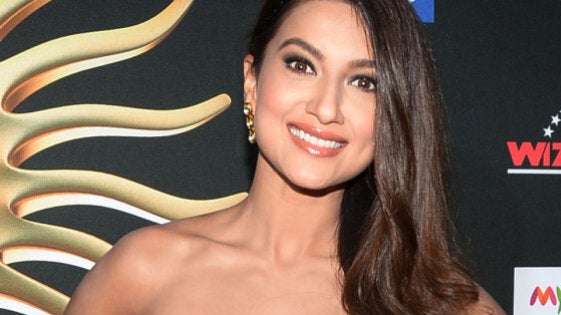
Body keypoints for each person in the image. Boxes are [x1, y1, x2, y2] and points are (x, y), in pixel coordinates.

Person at [65, 0, 505, 314]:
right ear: (252, 81)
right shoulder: (142, 271)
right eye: (301, 65)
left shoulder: (447, 307)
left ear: (396, 112)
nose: (326, 108)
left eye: (364, 82)